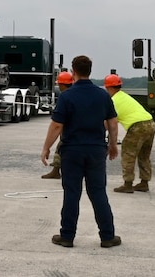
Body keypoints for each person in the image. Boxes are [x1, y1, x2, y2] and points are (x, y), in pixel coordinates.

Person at [41, 55, 121, 249]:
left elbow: (57, 125)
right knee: (98, 192)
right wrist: (112, 145)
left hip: (72, 151)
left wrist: (46, 148)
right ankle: (108, 236)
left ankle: (67, 236)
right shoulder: (102, 95)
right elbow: (112, 122)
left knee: (72, 193)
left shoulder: (67, 96)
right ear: (90, 71)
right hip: (96, 150)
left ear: (73, 71)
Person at [104, 74, 155, 194]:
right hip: (150, 123)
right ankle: (144, 182)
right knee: (144, 155)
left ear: (108, 88)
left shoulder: (113, 101)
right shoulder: (124, 96)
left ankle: (128, 184)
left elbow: (110, 123)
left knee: (128, 153)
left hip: (137, 126)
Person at [41, 71, 74, 179]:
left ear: (62, 84)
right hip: (76, 129)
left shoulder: (65, 97)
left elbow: (57, 123)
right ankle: (57, 170)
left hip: (69, 130)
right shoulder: (74, 93)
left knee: (61, 148)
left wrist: (46, 147)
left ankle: (56, 171)